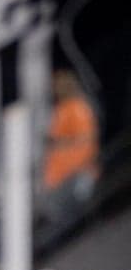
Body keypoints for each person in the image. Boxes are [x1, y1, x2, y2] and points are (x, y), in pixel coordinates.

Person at [42, 69, 99, 223]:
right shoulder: (67, 108)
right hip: (67, 171)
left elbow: (84, 138)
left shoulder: (74, 108)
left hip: (71, 170)